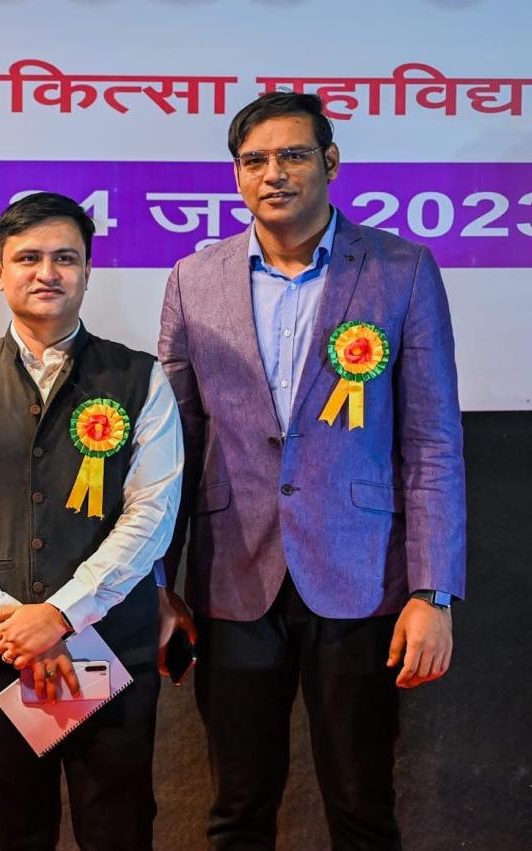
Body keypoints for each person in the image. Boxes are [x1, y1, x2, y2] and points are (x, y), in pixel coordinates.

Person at [158, 91, 466, 849]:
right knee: (237, 809)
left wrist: (432, 591)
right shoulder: (194, 278)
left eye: (293, 155)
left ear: (330, 162)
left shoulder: (401, 269)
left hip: (362, 576)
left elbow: (432, 442)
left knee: (362, 807)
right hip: (232, 577)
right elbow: (173, 447)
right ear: (237, 175)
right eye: (254, 160)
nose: (274, 173)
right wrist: (159, 586)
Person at [0, 191, 184, 850]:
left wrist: (60, 616)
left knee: (118, 832)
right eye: (28, 258)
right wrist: (11, 623)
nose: (47, 272)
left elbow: (152, 512)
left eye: (65, 257)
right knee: (18, 834)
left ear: (88, 270)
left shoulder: (140, 379)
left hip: (107, 649)